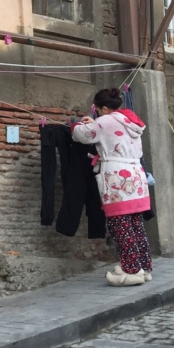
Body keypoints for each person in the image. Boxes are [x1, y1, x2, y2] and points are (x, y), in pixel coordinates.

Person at [71, 88, 153, 286]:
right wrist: (97, 123)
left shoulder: (104, 121)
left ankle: (131, 270)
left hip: (116, 176)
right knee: (135, 224)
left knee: (120, 226)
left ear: (104, 108)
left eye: (97, 110)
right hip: (136, 176)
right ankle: (143, 266)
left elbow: (81, 135)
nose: (96, 114)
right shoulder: (131, 121)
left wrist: (76, 124)